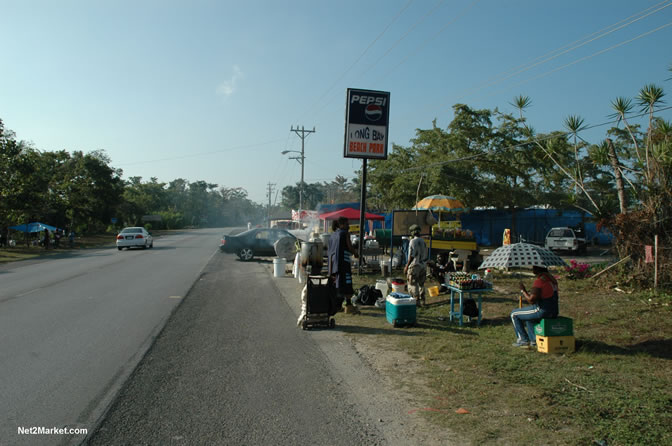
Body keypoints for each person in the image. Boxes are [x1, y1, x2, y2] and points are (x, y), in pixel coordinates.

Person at [510, 265, 559, 348]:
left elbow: (531, 300)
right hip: (553, 311)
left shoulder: (540, 281)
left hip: (542, 310)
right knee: (529, 318)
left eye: (533, 267)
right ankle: (534, 340)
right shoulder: (551, 279)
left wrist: (523, 290)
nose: (532, 269)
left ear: (537, 269)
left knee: (514, 314)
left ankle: (523, 340)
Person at [328, 217, 359, 315]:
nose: (348, 226)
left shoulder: (333, 235)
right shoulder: (344, 233)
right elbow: (349, 246)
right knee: (347, 282)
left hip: (333, 265)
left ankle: (337, 306)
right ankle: (349, 306)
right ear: (341, 224)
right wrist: (355, 253)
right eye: (347, 224)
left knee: (338, 283)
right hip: (343, 263)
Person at [404, 224, 429, 307]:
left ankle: (416, 301)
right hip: (423, 265)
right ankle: (423, 301)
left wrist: (407, 266)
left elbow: (412, 255)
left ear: (412, 233)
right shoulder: (423, 241)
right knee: (421, 284)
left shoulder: (412, 241)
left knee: (413, 283)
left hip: (415, 265)